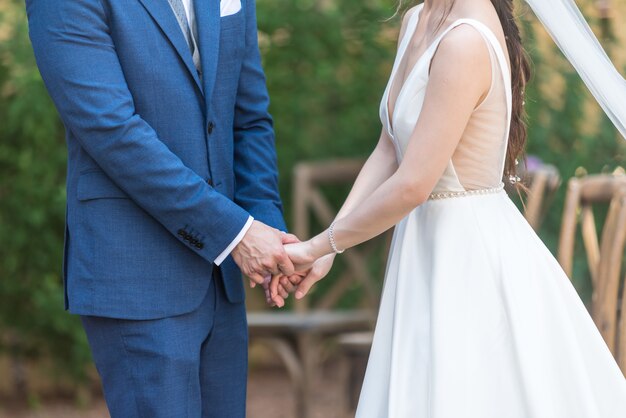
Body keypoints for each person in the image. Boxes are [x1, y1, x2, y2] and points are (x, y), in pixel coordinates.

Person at [272, 0, 626, 416]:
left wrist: (317, 246)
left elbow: (413, 184)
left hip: (468, 257)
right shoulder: (416, 20)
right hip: (422, 249)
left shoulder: (466, 40)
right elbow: (389, 149)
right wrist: (330, 246)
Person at [26, 0, 296, 416]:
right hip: (138, 274)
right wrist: (237, 234)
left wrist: (268, 229)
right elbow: (113, 132)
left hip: (222, 280)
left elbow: (248, 117)